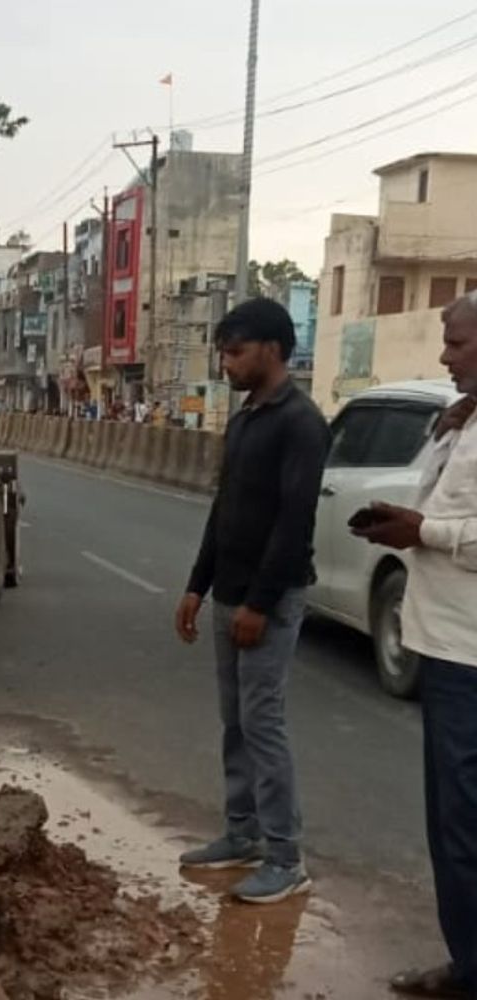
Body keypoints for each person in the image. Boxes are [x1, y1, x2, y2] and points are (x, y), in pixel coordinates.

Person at [174, 297, 330, 904]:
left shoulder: (301, 422)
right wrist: (197, 584)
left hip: (270, 600)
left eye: (235, 351)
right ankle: (242, 835)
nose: (226, 362)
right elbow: (225, 510)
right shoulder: (243, 420)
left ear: (271, 348)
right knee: (234, 721)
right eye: (223, 351)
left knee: (263, 724)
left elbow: (294, 524)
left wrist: (260, 604)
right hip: (228, 596)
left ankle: (285, 857)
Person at [351, 293, 477, 1000]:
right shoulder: (459, 422)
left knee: (465, 828)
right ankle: (465, 964)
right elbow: (437, 502)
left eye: (457, 344)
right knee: (451, 825)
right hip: (444, 643)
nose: (444, 356)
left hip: (471, 654)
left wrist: (421, 533)